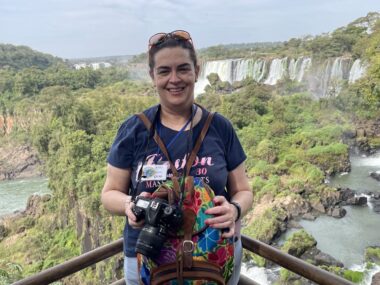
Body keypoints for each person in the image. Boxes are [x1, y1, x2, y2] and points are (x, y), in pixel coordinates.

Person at [101, 30, 253, 285]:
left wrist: (235, 209)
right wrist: (130, 204)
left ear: (196, 70)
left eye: (183, 69)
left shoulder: (219, 127)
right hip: (148, 257)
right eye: (164, 71)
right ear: (153, 76)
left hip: (215, 256)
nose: (174, 79)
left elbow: (244, 191)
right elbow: (109, 194)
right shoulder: (135, 130)